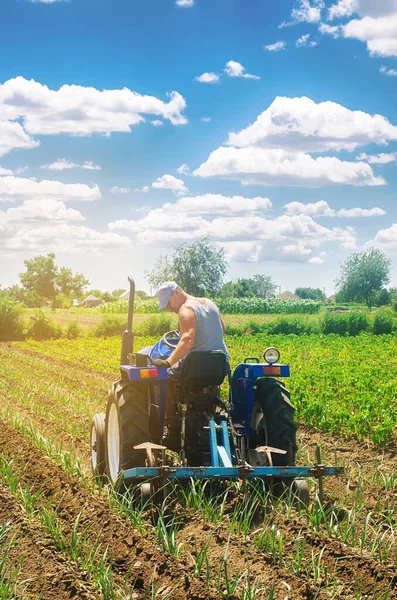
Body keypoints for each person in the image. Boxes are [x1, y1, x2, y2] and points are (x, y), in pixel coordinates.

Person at [151, 282, 229, 372]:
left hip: (196, 368)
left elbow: (187, 339)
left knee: (164, 375)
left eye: (168, 302)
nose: (168, 308)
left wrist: (168, 362)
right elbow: (222, 329)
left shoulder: (186, 309)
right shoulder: (210, 303)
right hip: (222, 365)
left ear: (176, 292)